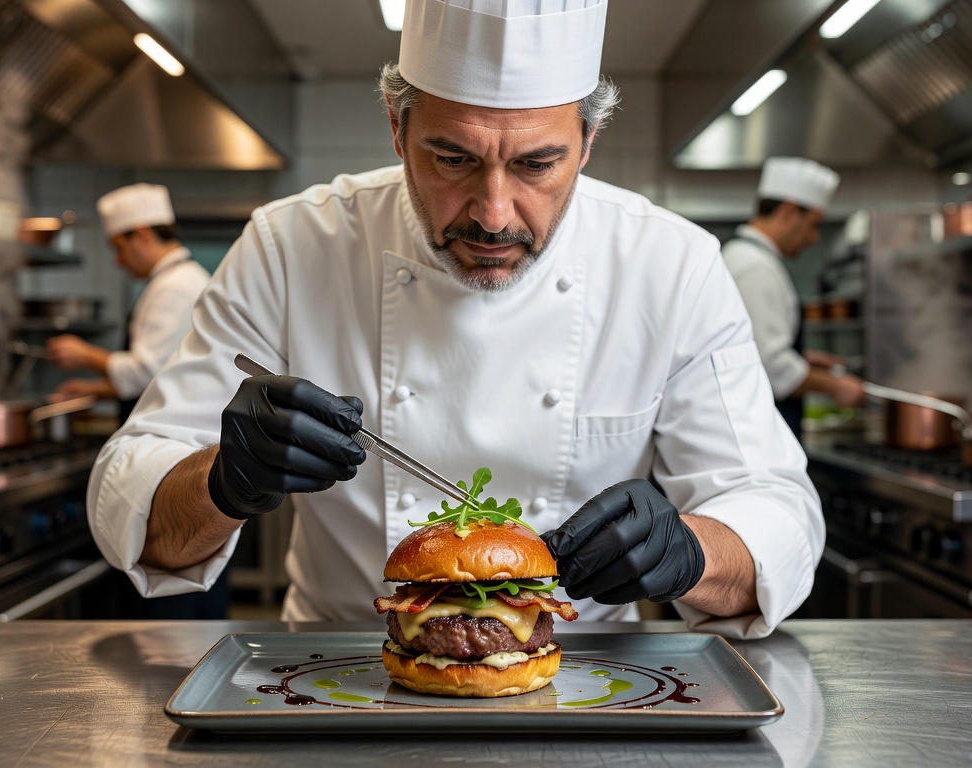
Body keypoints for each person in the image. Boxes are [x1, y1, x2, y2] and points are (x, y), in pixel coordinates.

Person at [86, 0, 823, 639]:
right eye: (452, 158)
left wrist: (691, 551)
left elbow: (779, 516)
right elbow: (131, 502)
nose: (494, 214)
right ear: (397, 128)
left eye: (538, 164)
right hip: (331, 679)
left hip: (592, 682)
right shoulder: (292, 244)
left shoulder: (671, 264)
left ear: (588, 143)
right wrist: (225, 481)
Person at [721, 157, 866, 438]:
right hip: (759, 431)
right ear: (788, 212)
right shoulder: (755, 267)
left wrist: (804, 359)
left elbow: (745, 348)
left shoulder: (743, 257)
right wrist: (837, 386)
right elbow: (770, 366)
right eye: (813, 225)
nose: (813, 238)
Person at [48, 183, 210, 425]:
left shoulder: (176, 286)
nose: (118, 262)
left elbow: (146, 373)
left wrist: (85, 355)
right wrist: (94, 391)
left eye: (118, 249)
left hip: (169, 431)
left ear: (142, 236)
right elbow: (157, 376)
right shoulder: (174, 280)